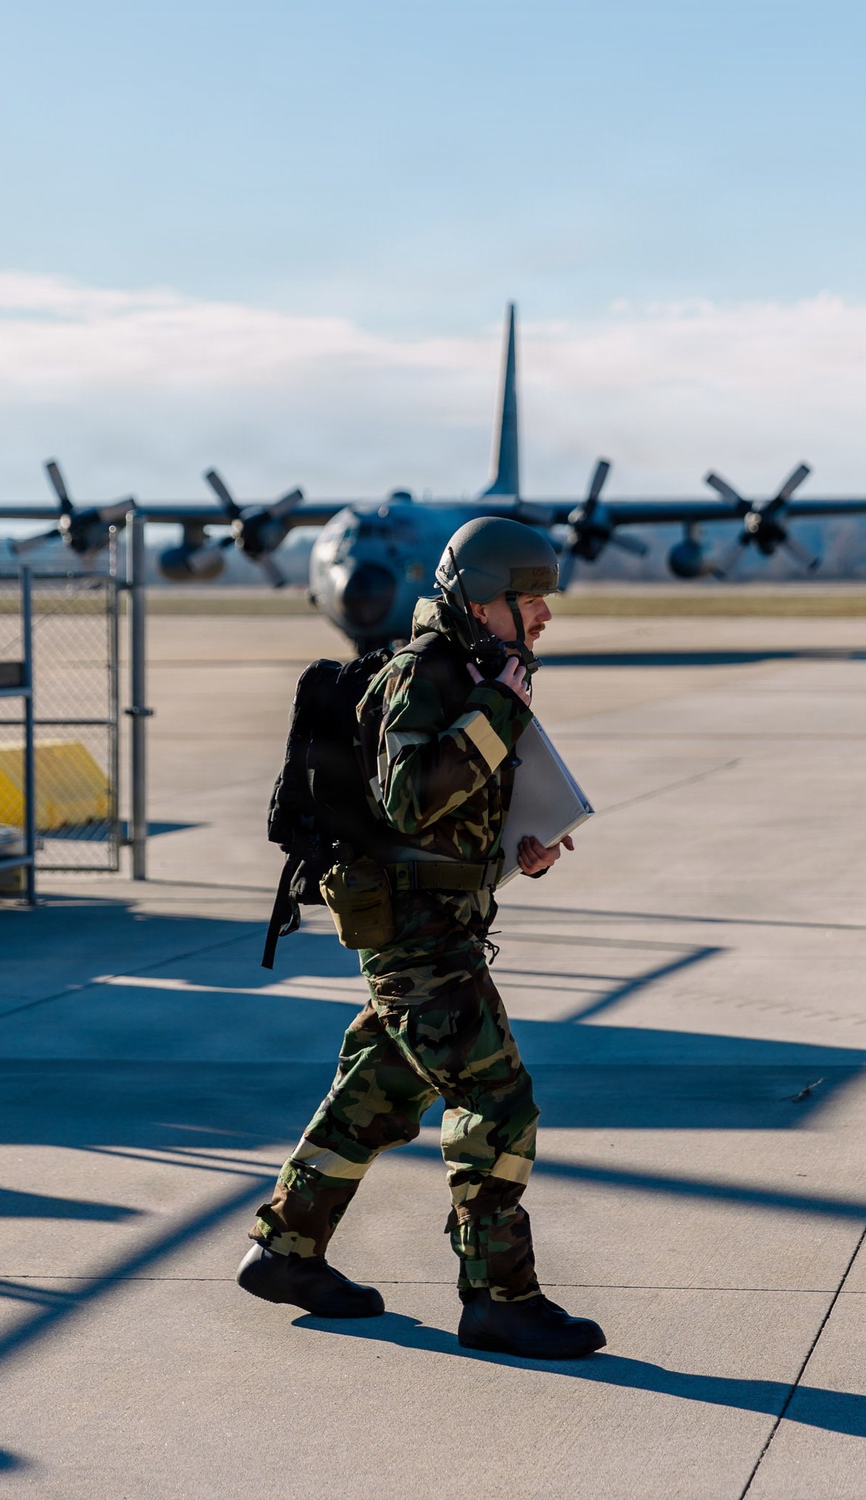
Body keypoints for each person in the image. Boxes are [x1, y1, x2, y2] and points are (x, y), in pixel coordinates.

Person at [236, 516, 605, 1359]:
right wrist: (496, 709)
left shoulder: (474, 675)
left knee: (378, 1095)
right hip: (416, 940)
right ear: (482, 600)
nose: (544, 616)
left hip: (441, 926)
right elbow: (409, 798)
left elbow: (451, 816)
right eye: (530, 600)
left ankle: (286, 1249)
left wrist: (525, 850)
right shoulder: (425, 676)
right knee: (498, 1101)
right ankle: (500, 1297)